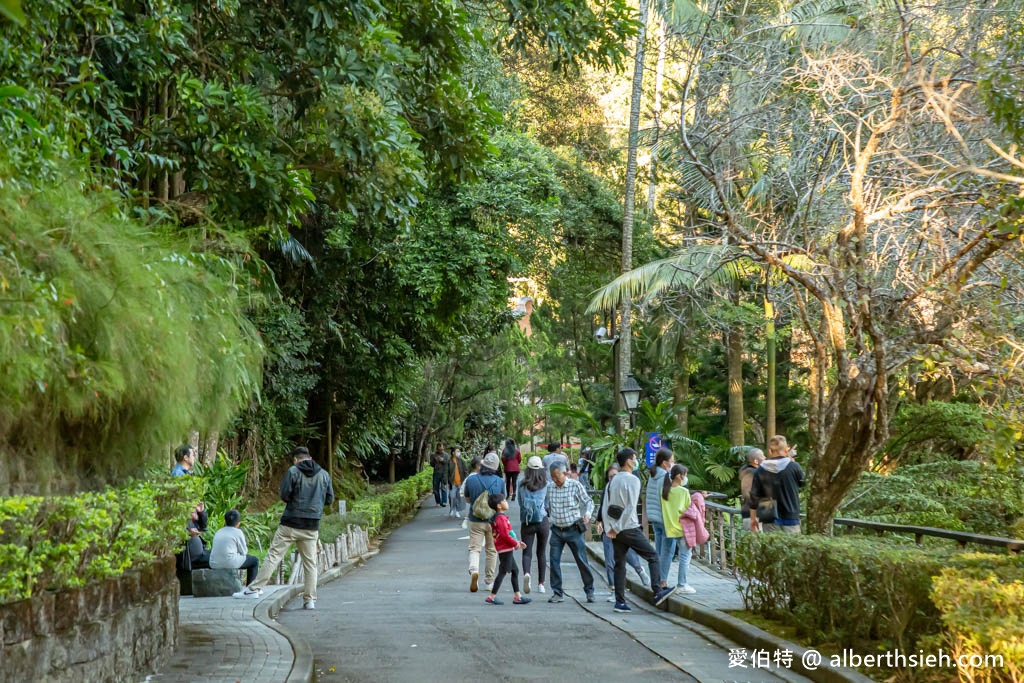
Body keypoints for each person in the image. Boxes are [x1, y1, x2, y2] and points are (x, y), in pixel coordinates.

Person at [234, 447, 334, 610]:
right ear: (309, 457)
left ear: (296, 459)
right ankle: (310, 600)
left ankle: (254, 589)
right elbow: (329, 499)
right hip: (311, 526)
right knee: (310, 563)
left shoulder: (294, 471)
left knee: (274, 556)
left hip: (290, 523)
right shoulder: (323, 474)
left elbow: (284, 495)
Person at [603, 448, 676, 613]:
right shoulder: (633, 480)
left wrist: (611, 528)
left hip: (616, 529)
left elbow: (605, 507)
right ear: (629, 461)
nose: (636, 461)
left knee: (620, 564)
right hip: (628, 527)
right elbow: (630, 507)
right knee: (652, 556)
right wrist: (617, 527)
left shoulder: (612, 481)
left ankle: (620, 602)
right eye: (634, 458)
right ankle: (657, 591)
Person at [595, 463, 648, 602]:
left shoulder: (627, 486)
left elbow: (631, 506)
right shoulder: (608, 488)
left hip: (624, 527)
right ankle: (614, 590)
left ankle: (639, 569)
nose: (612, 478)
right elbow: (603, 506)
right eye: (610, 476)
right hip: (608, 528)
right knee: (610, 560)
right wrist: (599, 521)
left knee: (628, 554)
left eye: (614, 475)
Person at [544, 461, 596, 603]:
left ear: (565, 473)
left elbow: (589, 501)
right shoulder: (550, 488)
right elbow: (546, 505)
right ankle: (557, 592)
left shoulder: (575, 485)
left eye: (557, 476)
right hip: (556, 530)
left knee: (581, 560)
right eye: (552, 477)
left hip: (573, 529)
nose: (555, 479)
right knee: (553, 561)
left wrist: (587, 514)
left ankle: (589, 590)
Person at [464, 451, 506, 592]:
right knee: (491, 550)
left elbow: (468, 499)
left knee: (475, 548)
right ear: (495, 467)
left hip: (475, 519)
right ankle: (489, 582)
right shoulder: (499, 481)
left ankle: (474, 569)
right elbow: (502, 501)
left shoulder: (471, 479)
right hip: (493, 521)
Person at [750, 435, 805, 533]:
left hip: (769, 517)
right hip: (791, 517)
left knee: (772, 547)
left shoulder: (760, 470)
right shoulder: (794, 467)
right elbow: (803, 483)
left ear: (770, 451)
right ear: (786, 450)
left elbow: (754, 496)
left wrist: (753, 518)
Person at [484, 493, 531, 605]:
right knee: (503, 572)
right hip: (505, 548)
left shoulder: (499, 517)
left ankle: (517, 596)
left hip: (504, 548)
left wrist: (517, 542)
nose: (506, 502)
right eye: (504, 500)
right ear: (499, 505)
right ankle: (492, 596)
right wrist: (516, 544)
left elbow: (507, 534)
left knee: (514, 571)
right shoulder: (501, 518)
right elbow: (505, 535)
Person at [516, 456, 550, 595]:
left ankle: (527, 574)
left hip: (527, 521)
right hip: (542, 520)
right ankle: (541, 584)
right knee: (541, 552)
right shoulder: (546, 484)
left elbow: (520, 501)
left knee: (527, 551)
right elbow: (547, 504)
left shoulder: (521, 483)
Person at [660, 465, 695, 594]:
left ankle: (662, 581)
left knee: (666, 555)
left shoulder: (663, 491)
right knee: (685, 555)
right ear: (680, 475)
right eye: (685, 474)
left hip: (668, 527)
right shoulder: (684, 492)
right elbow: (689, 509)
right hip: (681, 528)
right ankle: (681, 584)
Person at [644, 447, 675, 587]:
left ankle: (657, 578)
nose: (673, 464)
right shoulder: (665, 476)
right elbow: (666, 497)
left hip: (654, 518)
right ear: (664, 463)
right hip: (665, 519)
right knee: (667, 552)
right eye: (672, 461)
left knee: (659, 551)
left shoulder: (653, 474)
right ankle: (662, 581)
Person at [210, 509, 260, 585]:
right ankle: (250, 588)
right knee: (254, 561)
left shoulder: (219, 531)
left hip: (214, 563)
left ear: (225, 522)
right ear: (238, 524)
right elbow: (244, 552)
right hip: (229, 562)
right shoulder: (238, 532)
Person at [739, 448, 764, 531]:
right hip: (755, 515)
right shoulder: (754, 474)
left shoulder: (746, 472)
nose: (765, 458)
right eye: (762, 456)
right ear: (756, 461)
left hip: (748, 513)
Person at [446, 447, 468, 520]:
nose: (459, 452)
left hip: (460, 482)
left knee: (459, 497)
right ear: (453, 453)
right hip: (452, 482)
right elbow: (446, 472)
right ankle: (452, 509)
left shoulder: (461, 461)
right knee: (452, 496)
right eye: (457, 451)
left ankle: (457, 511)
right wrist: (446, 481)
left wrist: (466, 479)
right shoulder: (449, 461)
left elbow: (465, 470)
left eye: (459, 451)